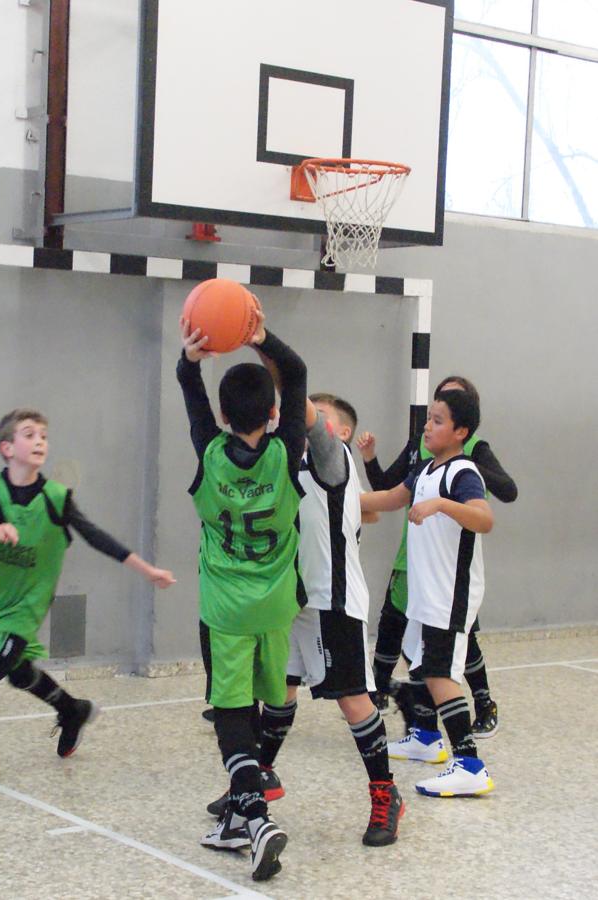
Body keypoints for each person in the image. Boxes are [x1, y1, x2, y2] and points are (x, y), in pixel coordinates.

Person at [0, 408, 175, 793]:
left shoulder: (56, 498)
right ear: (7, 447)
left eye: (44, 436)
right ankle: (72, 710)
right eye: (29, 434)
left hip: (30, 603)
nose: (39, 442)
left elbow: (95, 536)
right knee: (17, 671)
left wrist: (147, 570)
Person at [232, 391, 404, 845]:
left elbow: (305, 413)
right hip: (292, 600)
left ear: (340, 431)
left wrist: (270, 362)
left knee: (353, 702)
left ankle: (386, 794)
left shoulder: (334, 456)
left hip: (333, 600)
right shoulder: (291, 463)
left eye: (317, 418)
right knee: (280, 690)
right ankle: (260, 778)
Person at [177, 305, 306, 882]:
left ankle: (253, 817)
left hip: (226, 607)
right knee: (258, 705)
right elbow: (297, 372)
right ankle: (239, 814)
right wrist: (261, 338)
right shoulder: (287, 455)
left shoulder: (208, 453)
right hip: (277, 606)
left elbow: (191, 397)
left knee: (230, 712)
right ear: (276, 413)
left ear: (224, 416)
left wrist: (190, 359)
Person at [357, 375, 517, 738]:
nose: (427, 426)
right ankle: (426, 739)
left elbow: (485, 519)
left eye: (438, 420)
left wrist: (441, 505)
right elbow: (384, 497)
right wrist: (335, 496)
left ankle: (469, 764)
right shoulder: (425, 470)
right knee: (418, 664)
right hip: (424, 593)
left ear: (461, 431)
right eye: (428, 418)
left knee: (440, 675)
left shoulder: (464, 472)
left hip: (449, 594)